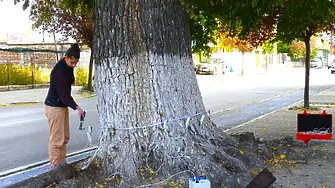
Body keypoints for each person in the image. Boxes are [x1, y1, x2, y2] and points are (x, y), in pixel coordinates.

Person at [44, 43, 85, 168]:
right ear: (65, 57)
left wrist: (74, 106)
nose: (73, 65)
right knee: (57, 139)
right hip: (54, 106)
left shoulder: (67, 68)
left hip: (62, 106)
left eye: (75, 63)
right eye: (71, 62)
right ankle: (55, 166)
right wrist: (77, 107)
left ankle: (62, 162)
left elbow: (65, 95)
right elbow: (64, 95)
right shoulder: (59, 71)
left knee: (64, 137)